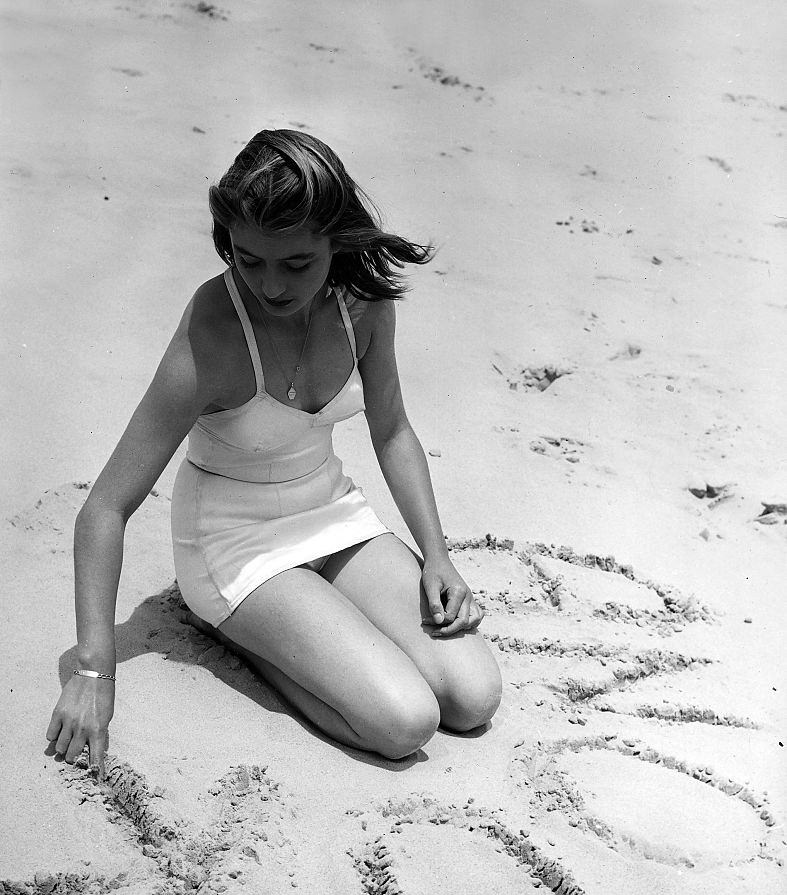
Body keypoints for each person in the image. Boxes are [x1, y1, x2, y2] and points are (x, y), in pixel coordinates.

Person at [46, 129, 502, 773]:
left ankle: (305, 632)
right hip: (233, 545)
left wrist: (437, 557)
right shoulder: (213, 330)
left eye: (296, 263)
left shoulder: (363, 307)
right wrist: (94, 669)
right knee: (405, 721)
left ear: (336, 241)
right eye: (247, 258)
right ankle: (236, 630)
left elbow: (392, 429)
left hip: (332, 516)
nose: (271, 285)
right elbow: (105, 508)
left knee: (471, 696)